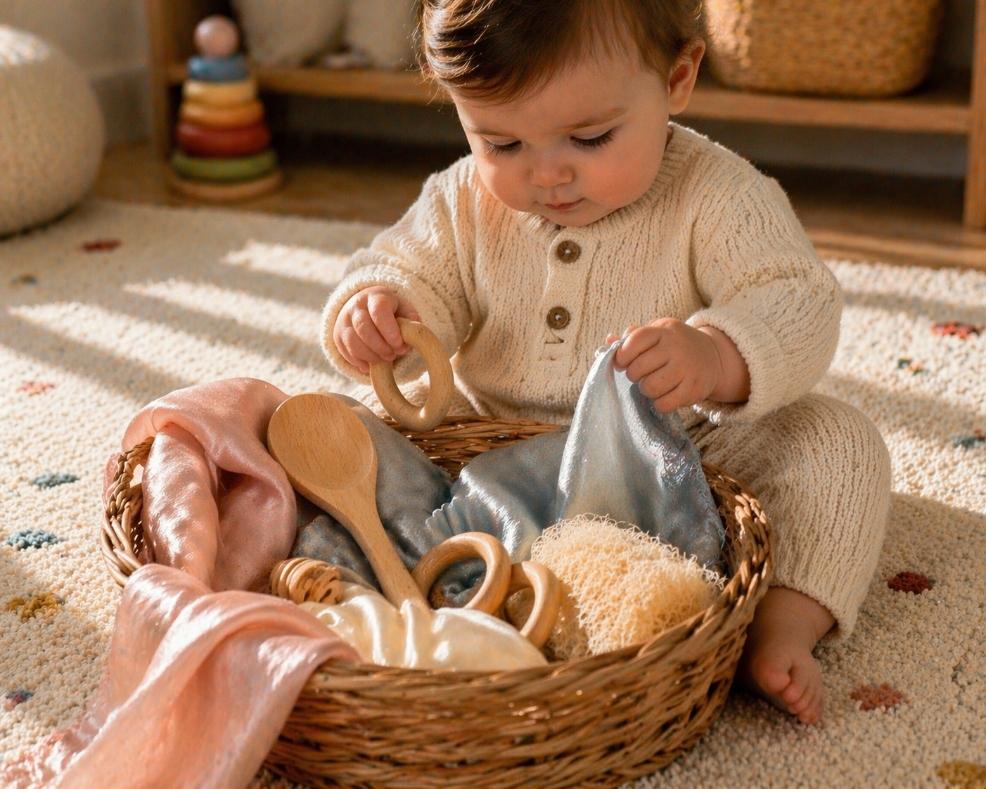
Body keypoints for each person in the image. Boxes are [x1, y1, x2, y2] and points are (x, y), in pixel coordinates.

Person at [320, 0, 891, 725]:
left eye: (589, 138)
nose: (548, 174)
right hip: (483, 458)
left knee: (839, 443)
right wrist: (378, 314)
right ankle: (380, 593)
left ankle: (779, 627)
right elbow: (405, 270)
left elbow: (797, 298)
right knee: (330, 430)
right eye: (501, 143)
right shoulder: (459, 201)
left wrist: (717, 354)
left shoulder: (719, 194)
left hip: (675, 455)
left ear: (677, 78)